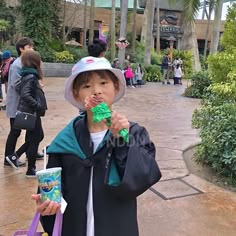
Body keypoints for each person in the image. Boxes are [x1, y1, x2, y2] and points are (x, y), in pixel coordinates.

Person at [32, 56, 162, 236]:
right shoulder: (66, 141)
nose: (96, 91)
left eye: (103, 83)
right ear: (77, 94)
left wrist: (121, 139)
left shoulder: (134, 133)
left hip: (116, 228)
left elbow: (142, 178)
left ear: (116, 87)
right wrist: (48, 205)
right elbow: (52, 191)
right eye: (86, 86)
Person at [4, 37, 43, 168]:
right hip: (17, 104)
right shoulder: (17, 65)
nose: (31, 49)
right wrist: (31, 89)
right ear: (21, 49)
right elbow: (16, 84)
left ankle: (30, 152)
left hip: (25, 104)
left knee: (32, 131)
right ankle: (8, 157)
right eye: (29, 47)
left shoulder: (25, 63)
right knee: (15, 132)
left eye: (32, 47)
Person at [10, 50, 47, 177]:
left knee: (36, 137)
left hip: (32, 112)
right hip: (32, 113)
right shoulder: (31, 76)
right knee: (35, 138)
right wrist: (37, 105)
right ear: (35, 62)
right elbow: (25, 94)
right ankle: (31, 169)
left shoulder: (28, 75)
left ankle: (16, 156)